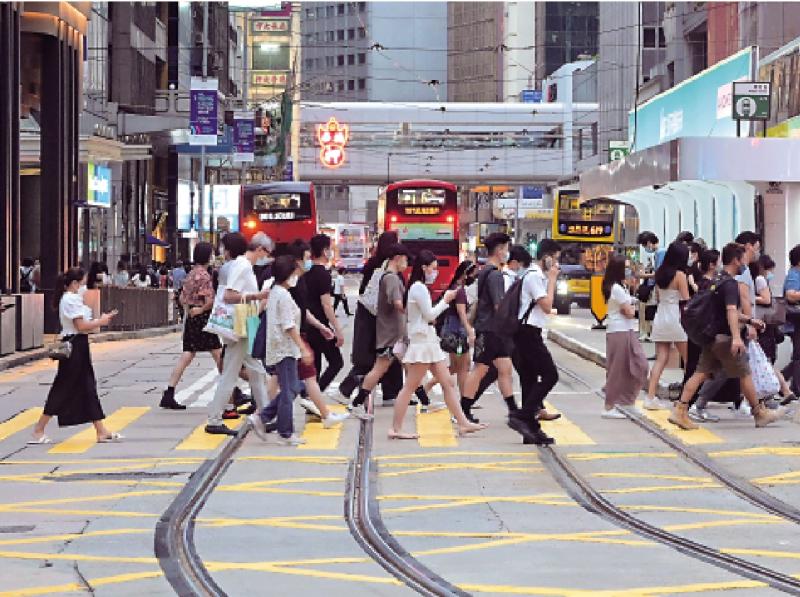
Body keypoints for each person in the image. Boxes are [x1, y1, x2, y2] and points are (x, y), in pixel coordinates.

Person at [669, 243, 784, 430]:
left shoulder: (718, 280)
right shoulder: (730, 284)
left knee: (700, 374)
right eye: (743, 259)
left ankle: (680, 410)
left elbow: (725, 311)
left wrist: (749, 320)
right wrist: (737, 337)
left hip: (713, 337)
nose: (745, 262)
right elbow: (731, 310)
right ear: (736, 260)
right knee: (744, 373)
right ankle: (759, 412)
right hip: (725, 338)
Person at [388, 250, 486, 439]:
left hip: (429, 342)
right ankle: (396, 428)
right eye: (432, 268)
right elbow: (430, 315)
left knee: (448, 383)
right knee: (410, 386)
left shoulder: (419, 287)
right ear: (424, 268)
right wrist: (446, 300)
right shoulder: (418, 288)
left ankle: (463, 423)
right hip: (422, 344)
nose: (435, 272)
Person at [28, 268, 121, 444]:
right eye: (82, 282)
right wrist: (100, 321)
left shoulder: (71, 298)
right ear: (74, 283)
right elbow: (80, 326)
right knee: (63, 386)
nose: (84, 285)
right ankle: (38, 429)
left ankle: (101, 430)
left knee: (87, 386)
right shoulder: (70, 299)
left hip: (80, 345)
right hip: (75, 346)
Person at [205, 232, 270, 436]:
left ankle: (266, 416)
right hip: (240, 325)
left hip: (248, 322)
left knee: (257, 370)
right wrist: (257, 295)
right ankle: (214, 419)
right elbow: (229, 295)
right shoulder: (242, 265)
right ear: (258, 249)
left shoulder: (244, 265)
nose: (267, 257)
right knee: (232, 372)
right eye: (266, 252)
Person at [250, 255, 310, 446]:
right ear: (288, 274)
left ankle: (263, 416)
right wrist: (302, 347)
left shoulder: (276, 291)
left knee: (292, 388)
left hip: (281, 347)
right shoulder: (282, 295)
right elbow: (288, 325)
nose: (297, 276)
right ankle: (284, 432)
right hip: (285, 349)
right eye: (295, 272)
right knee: (288, 391)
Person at [338, 231, 403, 406]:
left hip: (373, 316)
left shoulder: (374, 264)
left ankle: (392, 393)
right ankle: (349, 389)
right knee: (375, 358)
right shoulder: (385, 268)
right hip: (375, 318)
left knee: (390, 355)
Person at [459, 232, 517, 426]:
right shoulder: (495, 275)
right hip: (490, 329)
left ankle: (514, 411)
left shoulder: (485, 271)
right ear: (499, 250)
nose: (507, 253)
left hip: (493, 330)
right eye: (506, 249)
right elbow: (499, 306)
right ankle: (463, 409)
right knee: (480, 369)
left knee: (505, 368)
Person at [509, 240, 562, 444]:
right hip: (527, 333)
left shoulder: (534, 275)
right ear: (546, 257)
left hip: (529, 332)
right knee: (550, 375)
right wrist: (552, 279)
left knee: (529, 380)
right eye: (555, 258)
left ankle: (531, 431)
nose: (556, 263)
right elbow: (547, 306)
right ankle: (523, 415)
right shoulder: (534, 277)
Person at [349, 244, 411, 417]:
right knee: (379, 370)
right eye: (405, 259)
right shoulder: (391, 278)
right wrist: (413, 310)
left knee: (409, 368)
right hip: (391, 336)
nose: (406, 264)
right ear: (397, 258)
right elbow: (398, 303)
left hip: (394, 335)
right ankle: (356, 402)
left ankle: (425, 402)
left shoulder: (388, 276)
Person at [160, 242, 222, 410]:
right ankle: (232, 391)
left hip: (191, 319)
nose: (213, 257)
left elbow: (181, 298)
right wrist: (201, 308)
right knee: (218, 354)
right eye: (212, 254)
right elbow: (209, 300)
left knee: (187, 354)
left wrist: (190, 309)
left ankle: (169, 392)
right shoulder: (204, 275)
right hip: (202, 319)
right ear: (207, 256)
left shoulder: (191, 274)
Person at [646, 242, 691, 409]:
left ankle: (650, 397)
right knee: (688, 360)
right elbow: (686, 300)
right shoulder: (680, 275)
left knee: (660, 359)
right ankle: (685, 399)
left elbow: (658, 297)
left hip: (661, 315)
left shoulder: (660, 274)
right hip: (677, 317)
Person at [602, 255, 648, 418]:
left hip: (627, 331)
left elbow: (628, 309)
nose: (629, 271)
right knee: (617, 370)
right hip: (618, 331)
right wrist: (632, 308)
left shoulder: (621, 287)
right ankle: (609, 405)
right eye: (626, 267)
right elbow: (628, 313)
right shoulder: (615, 288)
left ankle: (628, 401)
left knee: (639, 366)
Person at [425, 260, 477, 398]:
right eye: (472, 274)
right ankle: (463, 400)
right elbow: (462, 314)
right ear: (465, 274)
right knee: (461, 367)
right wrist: (470, 331)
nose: (474, 277)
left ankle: (464, 398)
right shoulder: (458, 291)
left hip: (452, 333)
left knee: (459, 366)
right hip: (457, 336)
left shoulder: (455, 288)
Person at [303, 234, 345, 392]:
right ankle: (315, 396)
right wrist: (337, 329)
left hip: (308, 323)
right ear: (325, 251)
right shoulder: (322, 274)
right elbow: (327, 305)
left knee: (316, 366)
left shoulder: (305, 272)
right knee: (336, 362)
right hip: (320, 325)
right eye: (330, 249)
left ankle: (312, 398)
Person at [782, 244, 800, 397]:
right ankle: (795, 386)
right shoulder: (794, 274)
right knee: (798, 354)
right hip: (796, 320)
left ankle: (781, 378)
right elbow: (790, 295)